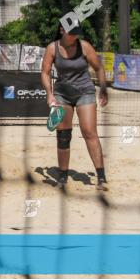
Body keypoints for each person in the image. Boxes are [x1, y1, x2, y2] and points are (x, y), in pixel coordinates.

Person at [41, 24, 109, 191]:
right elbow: (45, 72)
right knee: (63, 135)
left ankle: (101, 177)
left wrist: (103, 89)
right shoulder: (52, 48)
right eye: (72, 33)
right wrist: (49, 94)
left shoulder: (84, 46)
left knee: (89, 132)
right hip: (62, 94)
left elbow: (99, 67)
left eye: (77, 33)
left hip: (84, 92)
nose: (75, 37)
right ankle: (63, 177)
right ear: (62, 30)